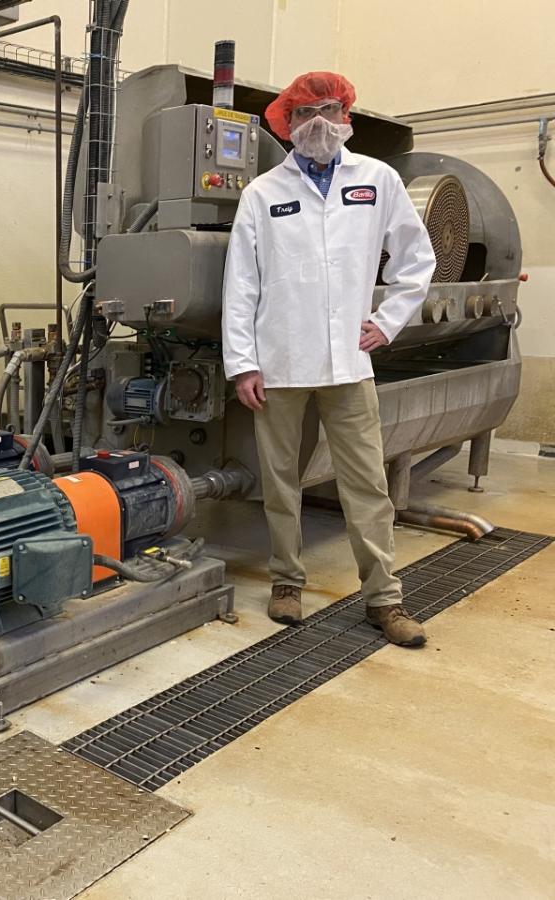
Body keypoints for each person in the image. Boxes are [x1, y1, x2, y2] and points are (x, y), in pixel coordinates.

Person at [222, 71, 436, 646]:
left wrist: (387, 322)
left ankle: (384, 600)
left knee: (367, 483)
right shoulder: (262, 193)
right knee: (281, 481)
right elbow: (241, 284)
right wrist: (242, 362)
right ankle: (287, 581)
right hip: (279, 362)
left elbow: (419, 258)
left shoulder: (378, 180)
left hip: (349, 361)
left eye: (328, 109)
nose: (317, 122)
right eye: (304, 112)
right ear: (286, 124)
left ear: (347, 117)